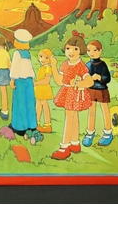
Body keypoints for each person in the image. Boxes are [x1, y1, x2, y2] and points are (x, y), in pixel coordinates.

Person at [50, 30, 94, 159]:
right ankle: (75, 143)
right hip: (67, 92)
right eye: (68, 48)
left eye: (75, 49)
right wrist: (53, 66)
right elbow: (59, 81)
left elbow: (90, 81)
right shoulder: (65, 64)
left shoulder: (80, 65)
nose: (71, 52)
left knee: (70, 118)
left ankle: (64, 147)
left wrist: (78, 83)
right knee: (72, 117)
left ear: (81, 50)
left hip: (75, 94)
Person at [8, 29, 42, 143]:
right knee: (29, 103)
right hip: (29, 81)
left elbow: (15, 68)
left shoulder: (17, 53)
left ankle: (20, 127)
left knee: (20, 103)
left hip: (20, 81)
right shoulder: (27, 54)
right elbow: (30, 69)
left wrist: (12, 79)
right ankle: (31, 126)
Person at [83, 40, 113, 146]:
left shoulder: (102, 64)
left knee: (105, 110)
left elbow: (108, 78)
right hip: (91, 90)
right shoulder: (87, 65)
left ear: (100, 51)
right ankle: (90, 133)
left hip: (102, 90)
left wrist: (100, 77)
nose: (91, 53)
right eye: (89, 50)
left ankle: (108, 133)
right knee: (91, 111)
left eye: (94, 50)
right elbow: (84, 76)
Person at [34, 48, 54, 133]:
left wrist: (36, 83)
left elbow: (46, 80)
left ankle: (47, 124)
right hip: (39, 89)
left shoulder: (48, 68)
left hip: (44, 89)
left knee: (44, 105)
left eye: (46, 57)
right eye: (41, 56)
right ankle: (36, 122)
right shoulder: (41, 67)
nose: (43, 59)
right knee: (38, 105)